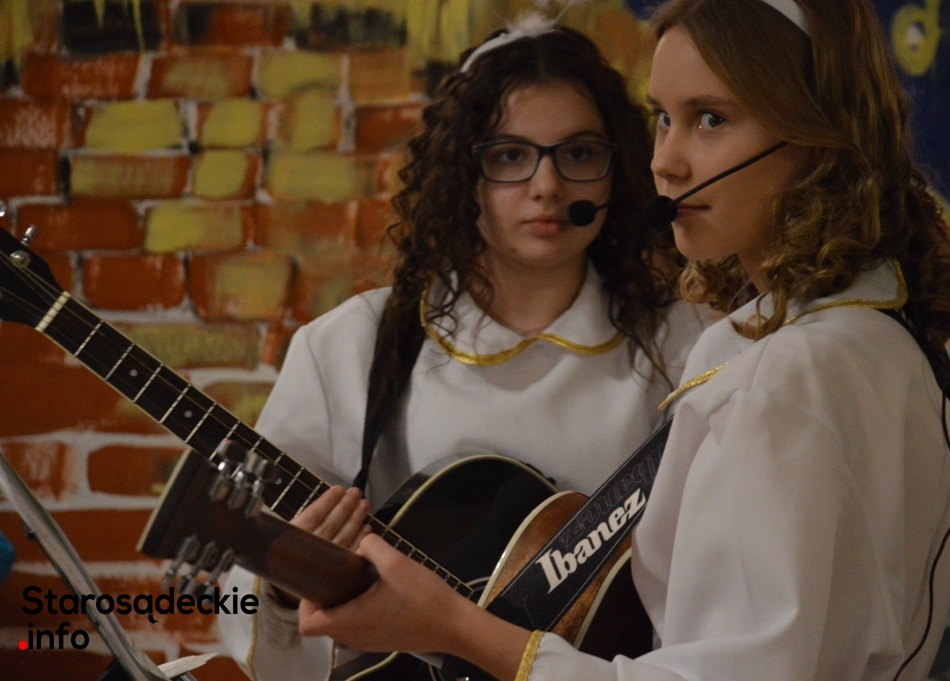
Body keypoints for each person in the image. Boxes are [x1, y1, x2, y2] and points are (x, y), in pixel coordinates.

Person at [295, 1, 950, 680]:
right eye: (663, 119)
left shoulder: (780, 374)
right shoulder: (896, 339)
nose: (667, 163)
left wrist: (451, 626)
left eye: (710, 119)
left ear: (818, 136)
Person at [219, 18, 708, 681]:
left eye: (578, 153)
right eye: (508, 156)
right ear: (461, 172)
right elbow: (254, 606)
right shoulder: (350, 346)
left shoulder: (688, 343)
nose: (548, 187)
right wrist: (285, 583)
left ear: (616, 171)